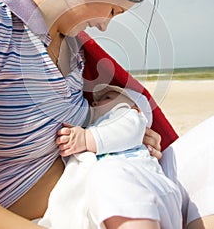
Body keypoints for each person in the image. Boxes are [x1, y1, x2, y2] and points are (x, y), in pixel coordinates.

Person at [0, 0, 213, 229]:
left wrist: (122, 134)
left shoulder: (74, 50)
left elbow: (71, 126)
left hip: (109, 186)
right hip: (55, 216)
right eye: (113, 11)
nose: (105, 26)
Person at [38, 83, 182, 229]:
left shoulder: (129, 118)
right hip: (108, 207)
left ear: (136, 109)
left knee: (110, 174)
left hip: (147, 191)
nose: (95, 103)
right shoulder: (95, 130)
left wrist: (85, 138)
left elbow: (129, 128)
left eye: (107, 97)